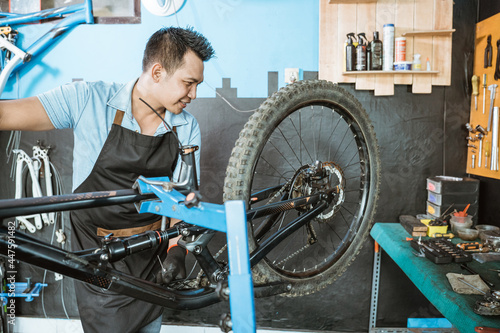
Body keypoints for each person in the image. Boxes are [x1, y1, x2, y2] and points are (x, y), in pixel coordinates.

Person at [0, 27, 215, 333]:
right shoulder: (88, 99)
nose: (193, 95)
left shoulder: (186, 127)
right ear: (157, 72)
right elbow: (4, 115)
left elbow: (182, 204)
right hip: (97, 258)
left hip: (149, 258)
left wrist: (177, 252)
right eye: (188, 83)